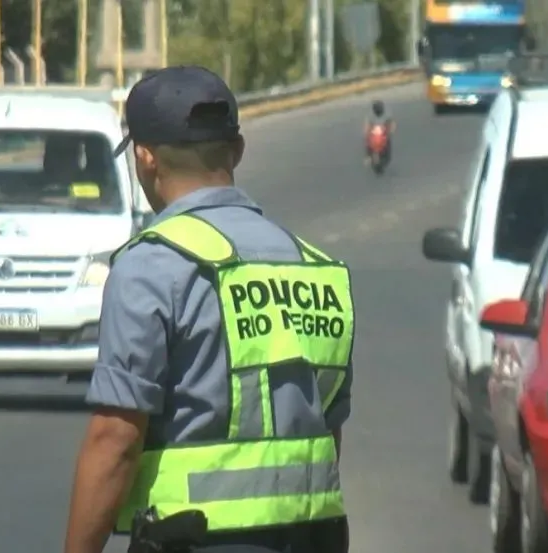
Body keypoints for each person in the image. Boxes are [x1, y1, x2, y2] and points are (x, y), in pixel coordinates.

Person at [64, 65, 355, 553]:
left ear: (144, 158)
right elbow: (327, 432)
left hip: (192, 540)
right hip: (312, 538)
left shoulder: (151, 265)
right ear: (236, 151)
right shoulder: (314, 267)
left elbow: (115, 439)